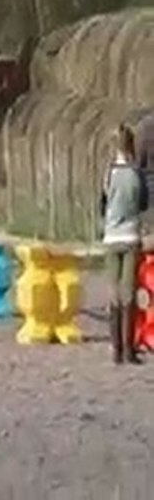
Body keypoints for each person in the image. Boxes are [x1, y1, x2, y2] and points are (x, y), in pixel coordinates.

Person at [100, 124, 147, 365]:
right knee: (129, 293)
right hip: (131, 236)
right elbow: (144, 204)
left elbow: (102, 204)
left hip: (111, 236)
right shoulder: (136, 173)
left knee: (113, 292)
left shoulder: (109, 173)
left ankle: (115, 349)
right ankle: (129, 348)